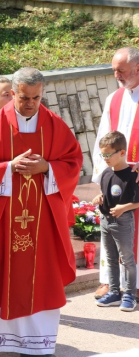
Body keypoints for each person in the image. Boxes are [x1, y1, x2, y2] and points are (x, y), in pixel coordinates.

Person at [0, 67, 83, 356]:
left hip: (40, 225)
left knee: (41, 278)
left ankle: (37, 345)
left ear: (42, 95)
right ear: (13, 93)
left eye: (36, 98)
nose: (30, 103)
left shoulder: (55, 126)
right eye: (24, 97)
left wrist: (47, 168)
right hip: (2, 225)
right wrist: (7, 168)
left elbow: (73, 163)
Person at [91, 47, 139, 301]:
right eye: (113, 70)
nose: (116, 75)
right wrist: (102, 173)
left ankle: (134, 284)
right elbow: (103, 137)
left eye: (121, 70)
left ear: (138, 68)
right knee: (110, 234)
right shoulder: (114, 99)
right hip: (115, 175)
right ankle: (111, 283)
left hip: (137, 178)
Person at [92, 131, 138, 311]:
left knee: (127, 259)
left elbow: (136, 200)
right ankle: (113, 292)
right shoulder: (105, 173)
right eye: (102, 154)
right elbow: (106, 193)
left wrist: (123, 208)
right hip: (106, 221)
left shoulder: (133, 174)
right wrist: (99, 198)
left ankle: (129, 294)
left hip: (123, 221)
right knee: (110, 259)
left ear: (122, 152)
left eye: (108, 155)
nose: (105, 158)